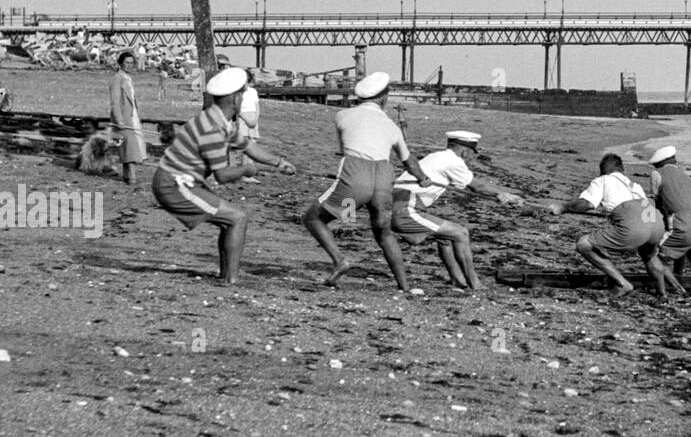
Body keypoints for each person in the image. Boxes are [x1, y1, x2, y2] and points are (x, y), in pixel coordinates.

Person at [152, 66, 297, 285]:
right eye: (243, 94)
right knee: (237, 218)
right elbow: (222, 175)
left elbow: (247, 145)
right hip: (175, 184)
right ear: (235, 98)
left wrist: (278, 162)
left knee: (229, 220)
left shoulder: (217, 119)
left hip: (179, 181)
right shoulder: (213, 128)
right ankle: (231, 279)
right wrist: (247, 170)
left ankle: (226, 275)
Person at [303, 71, 434, 291]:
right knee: (383, 233)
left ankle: (339, 260)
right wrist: (423, 178)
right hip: (384, 176)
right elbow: (409, 161)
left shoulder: (343, 116)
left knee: (313, 218)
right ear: (384, 98)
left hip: (356, 172)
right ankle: (404, 286)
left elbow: (342, 149)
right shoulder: (392, 126)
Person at [390, 130, 524, 290]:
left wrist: (500, 196)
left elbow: (473, 188)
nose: (473, 159)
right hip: (405, 208)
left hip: (394, 205)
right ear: (465, 151)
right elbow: (477, 187)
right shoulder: (453, 161)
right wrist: (503, 194)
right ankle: (475, 284)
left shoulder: (437, 157)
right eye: (473, 154)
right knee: (461, 233)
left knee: (446, 238)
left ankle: (457, 280)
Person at [548, 152, 674, 297]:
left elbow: (588, 203)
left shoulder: (603, 180)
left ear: (603, 170)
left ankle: (622, 283)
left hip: (634, 225)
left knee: (584, 244)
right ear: (621, 170)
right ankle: (662, 293)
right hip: (655, 223)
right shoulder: (635, 185)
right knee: (649, 256)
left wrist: (562, 207)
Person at [648, 146, 691, 295]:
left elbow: (655, 201)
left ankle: (678, 288)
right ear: (674, 161)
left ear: (658, 164)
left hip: (685, 223)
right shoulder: (686, 176)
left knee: (654, 255)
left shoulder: (657, 174)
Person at [109, 51, 147, 183]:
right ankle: (132, 177)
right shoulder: (117, 78)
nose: (129, 65)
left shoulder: (127, 78)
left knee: (129, 145)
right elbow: (114, 102)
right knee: (130, 146)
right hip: (124, 117)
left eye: (131, 63)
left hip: (132, 115)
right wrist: (119, 120)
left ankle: (126, 175)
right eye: (127, 63)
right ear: (120, 63)